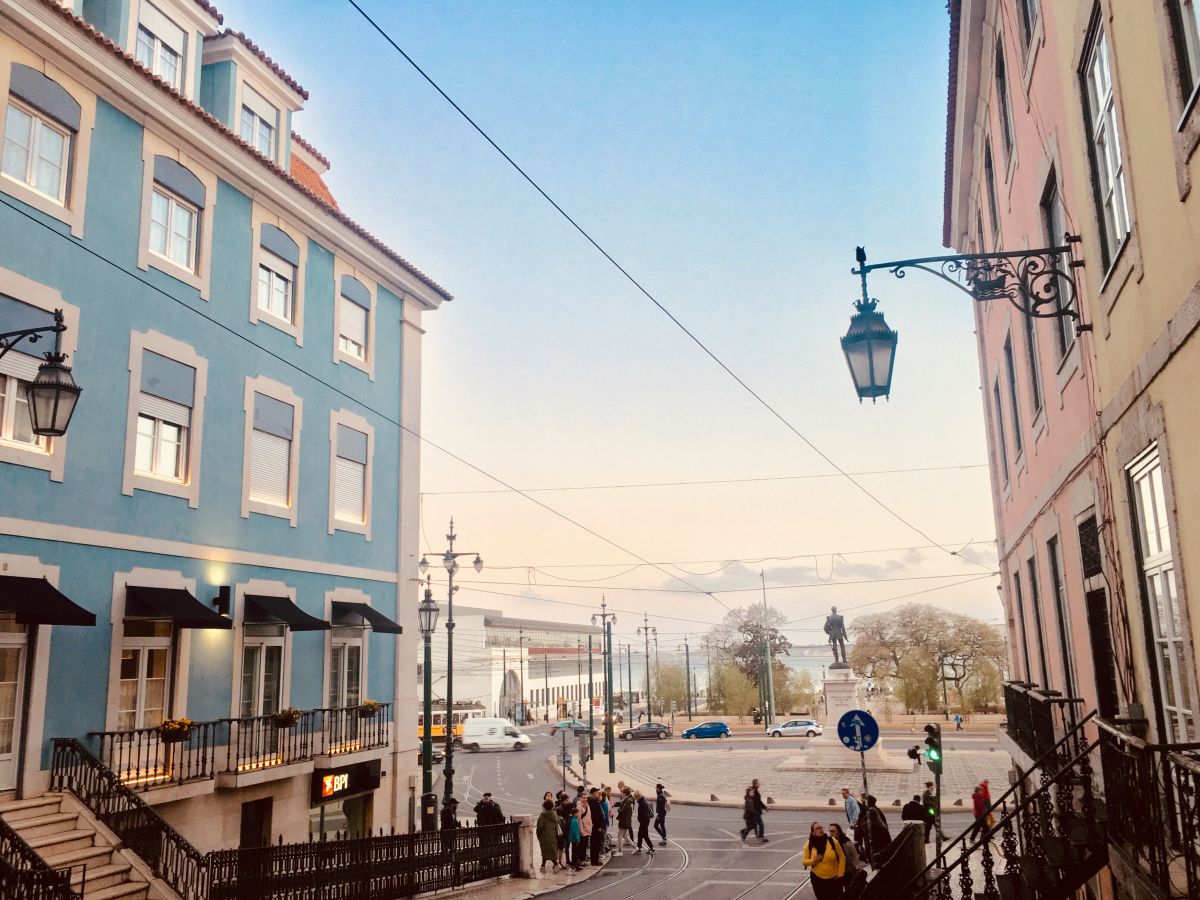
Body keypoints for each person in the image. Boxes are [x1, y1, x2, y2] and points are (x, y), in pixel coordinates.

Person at [802, 821, 846, 899]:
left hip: (835, 878)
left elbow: (842, 857)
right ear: (813, 832)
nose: (820, 829)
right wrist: (814, 860)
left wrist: (840, 874)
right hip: (818, 879)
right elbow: (804, 862)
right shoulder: (809, 844)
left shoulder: (832, 841)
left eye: (821, 827)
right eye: (817, 828)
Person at [537, 800, 562, 873]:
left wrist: (538, 835)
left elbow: (539, 827)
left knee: (547, 851)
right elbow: (558, 823)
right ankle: (542, 866)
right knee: (547, 851)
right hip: (553, 835)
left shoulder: (542, 815)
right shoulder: (554, 814)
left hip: (544, 836)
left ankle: (557, 864)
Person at [865, 795, 891, 864]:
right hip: (882, 855)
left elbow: (869, 844)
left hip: (876, 855)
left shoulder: (871, 830)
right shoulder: (882, 827)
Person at [588, 787, 607, 865]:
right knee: (595, 844)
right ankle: (594, 861)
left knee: (596, 844)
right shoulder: (593, 802)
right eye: (597, 793)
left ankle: (595, 859)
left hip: (597, 827)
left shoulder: (595, 801)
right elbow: (595, 816)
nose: (598, 794)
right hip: (596, 828)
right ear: (593, 794)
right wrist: (599, 826)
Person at [616, 787, 635, 855]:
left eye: (621, 792)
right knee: (625, 836)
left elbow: (622, 811)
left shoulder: (627, 801)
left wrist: (619, 809)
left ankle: (620, 851)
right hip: (626, 820)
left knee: (620, 835)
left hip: (624, 821)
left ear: (624, 793)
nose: (620, 793)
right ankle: (634, 847)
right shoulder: (627, 800)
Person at [576, 791, 592, 865]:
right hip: (582, 830)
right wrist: (581, 830)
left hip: (588, 828)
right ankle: (580, 860)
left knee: (585, 845)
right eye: (583, 798)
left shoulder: (588, 806)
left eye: (586, 798)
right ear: (580, 798)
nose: (585, 799)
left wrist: (591, 825)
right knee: (581, 846)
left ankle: (583, 859)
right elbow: (578, 819)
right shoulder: (579, 807)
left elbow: (589, 817)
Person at [567, 804, 583, 870]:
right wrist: (577, 838)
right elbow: (575, 831)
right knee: (575, 852)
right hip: (574, 839)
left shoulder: (573, 819)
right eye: (577, 813)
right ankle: (574, 864)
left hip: (573, 838)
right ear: (575, 813)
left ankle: (574, 864)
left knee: (574, 851)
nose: (578, 814)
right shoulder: (574, 820)